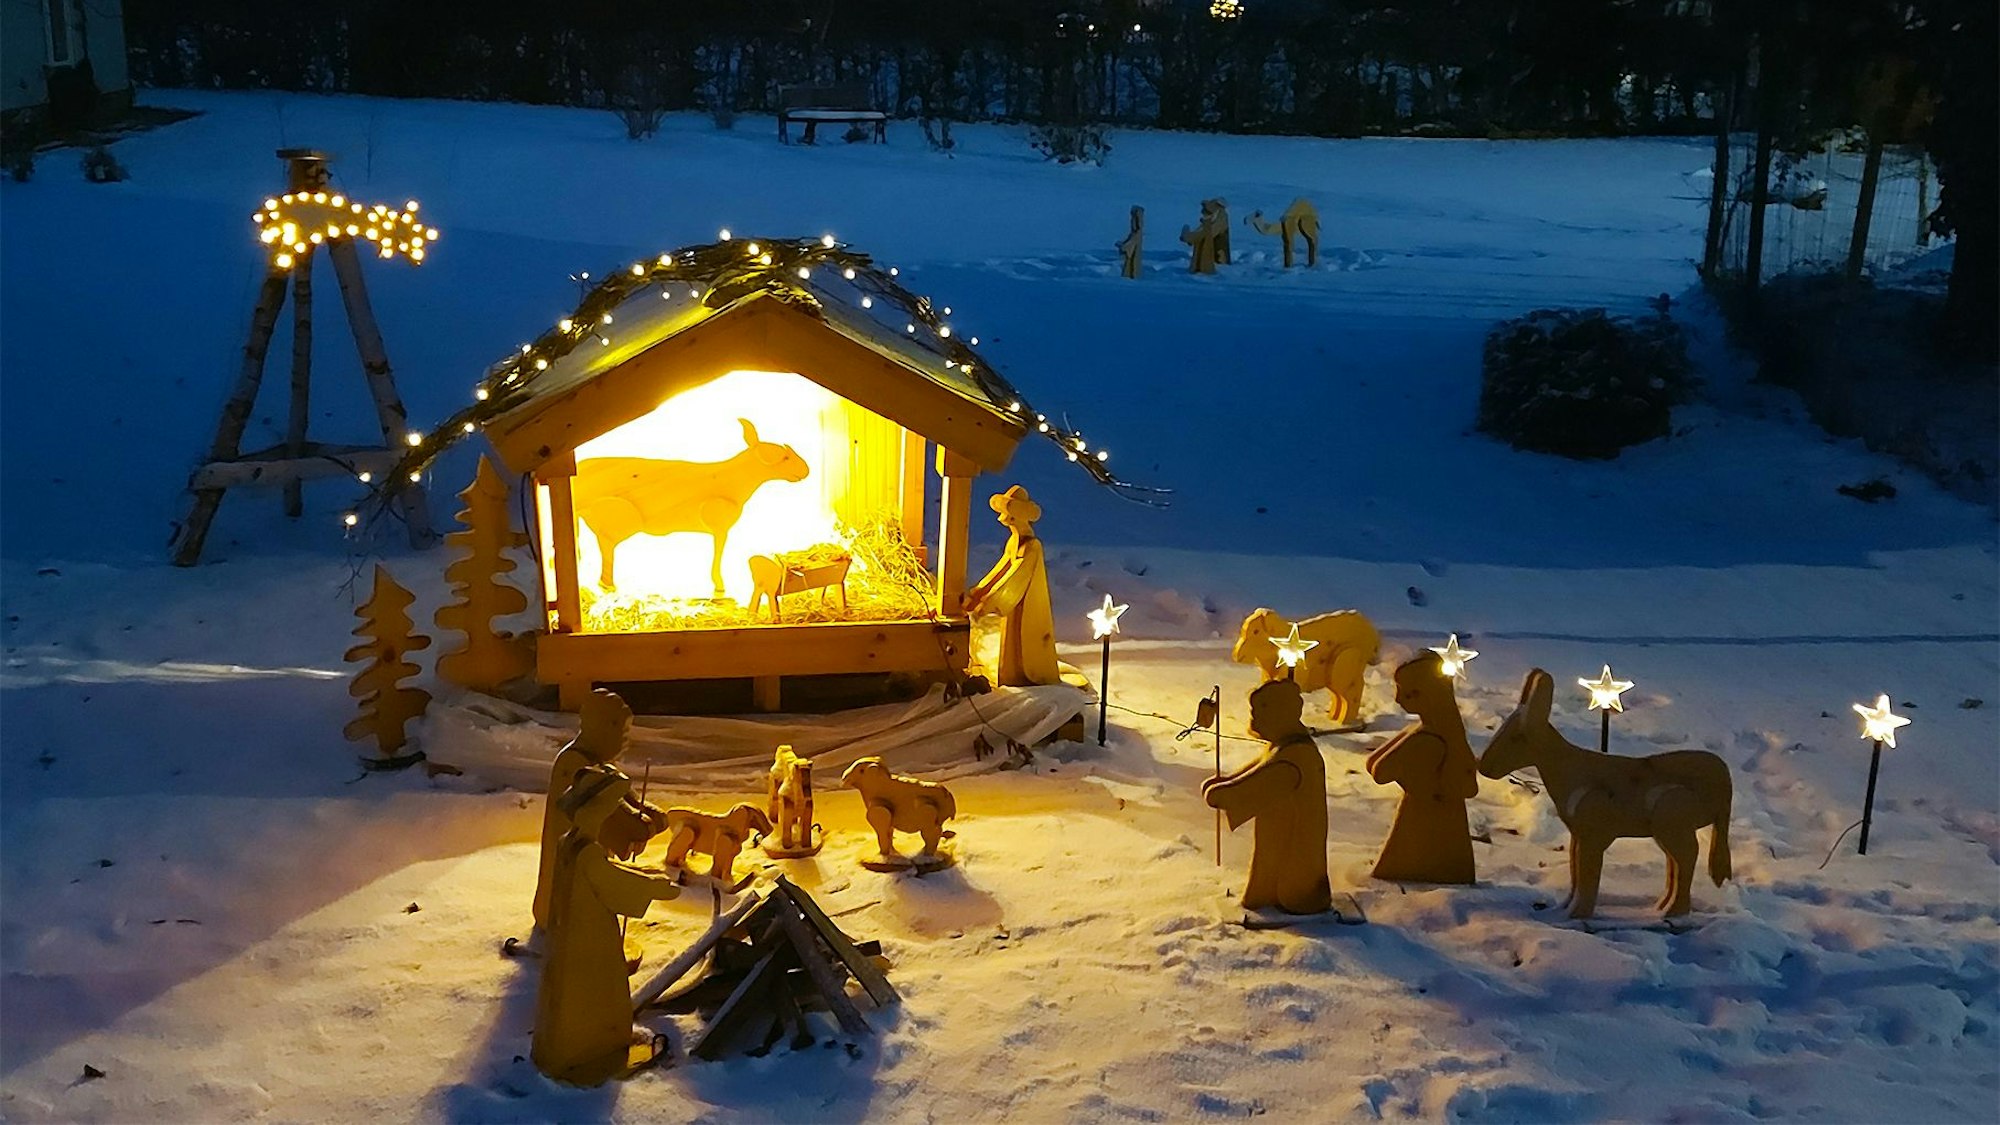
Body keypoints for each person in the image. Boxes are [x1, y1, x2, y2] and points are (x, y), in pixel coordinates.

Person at [533, 765, 683, 1086]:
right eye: (613, 806)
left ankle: (560, 1048)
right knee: (596, 990)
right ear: (596, 811)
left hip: (571, 934)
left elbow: (608, 873)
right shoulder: (587, 852)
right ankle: (590, 1050)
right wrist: (653, 887)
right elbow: (609, 881)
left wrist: (644, 877)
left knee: (568, 993)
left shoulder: (570, 842)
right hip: (588, 937)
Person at [533, 689, 663, 930]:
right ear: (599, 725)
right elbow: (606, 805)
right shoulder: (575, 763)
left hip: (590, 860)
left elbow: (624, 795)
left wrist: (649, 814)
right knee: (578, 905)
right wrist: (637, 825)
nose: (625, 740)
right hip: (572, 864)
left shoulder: (599, 759)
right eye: (620, 731)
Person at [1203, 678, 1332, 915]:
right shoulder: (1284, 745)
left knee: (1282, 880)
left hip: (1294, 873)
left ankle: (1286, 900)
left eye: (1260, 714)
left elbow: (1258, 785)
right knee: (1267, 866)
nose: (1254, 721)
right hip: (1278, 839)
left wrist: (1224, 794)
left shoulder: (1296, 758)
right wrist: (1227, 781)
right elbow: (1260, 767)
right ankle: (1263, 896)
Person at [1365, 652, 1479, 884]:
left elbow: (1381, 771)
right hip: (1430, 813)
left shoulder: (1429, 740)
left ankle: (1434, 873)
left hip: (1427, 816)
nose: (1398, 699)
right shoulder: (1428, 731)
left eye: (1410, 693)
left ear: (1431, 694)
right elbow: (1374, 764)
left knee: (1420, 853)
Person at [962, 485, 1059, 686]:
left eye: (1008, 515)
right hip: (1017, 604)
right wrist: (978, 592)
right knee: (1012, 640)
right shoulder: (1014, 542)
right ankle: (1012, 674)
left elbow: (1016, 576)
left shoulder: (1032, 546)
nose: (1003, 519)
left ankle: (1034, 674)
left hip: (1028, 604)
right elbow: (1001, 568)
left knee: (1025, 641)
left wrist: (989, 602)